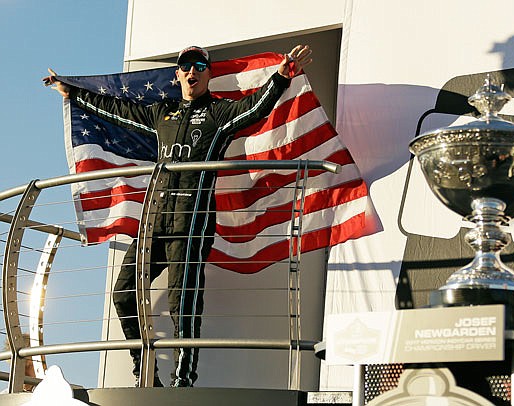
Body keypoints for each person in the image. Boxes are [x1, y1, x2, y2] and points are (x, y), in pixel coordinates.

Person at [43, 44, 313, 387]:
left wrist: (281, 77)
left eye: (200, 66)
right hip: (154, 221)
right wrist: (74, 94)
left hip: (192, 221)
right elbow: (116, 109)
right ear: (178, 74)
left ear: (208, 74)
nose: (192, 71)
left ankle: (182, 383)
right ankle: (145, 369)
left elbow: (254, 109)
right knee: (124, 292)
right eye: (185, 66)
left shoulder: (218, 113)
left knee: (181, 305)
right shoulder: (162, 113)